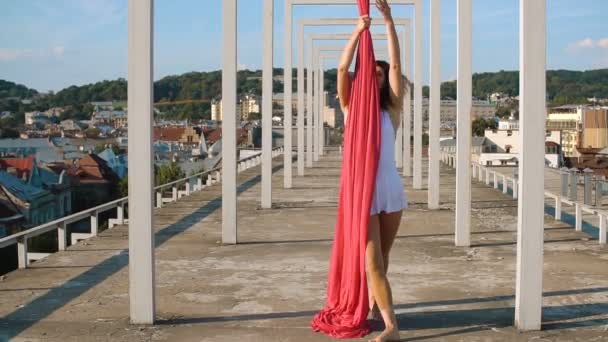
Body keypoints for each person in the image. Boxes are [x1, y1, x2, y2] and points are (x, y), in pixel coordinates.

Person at [337, 1, 407, 341]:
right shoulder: (350, 107)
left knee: (383, 257)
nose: (376, 74)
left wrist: (388, 21)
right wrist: (358, 32)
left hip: (391, 191)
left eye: (380, 73)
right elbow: (340, 71)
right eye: (372, 71)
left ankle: (371, 305)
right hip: (363, 194)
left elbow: (394, 63)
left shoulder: (391, 111)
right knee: (373, 263)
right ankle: (392, 326)